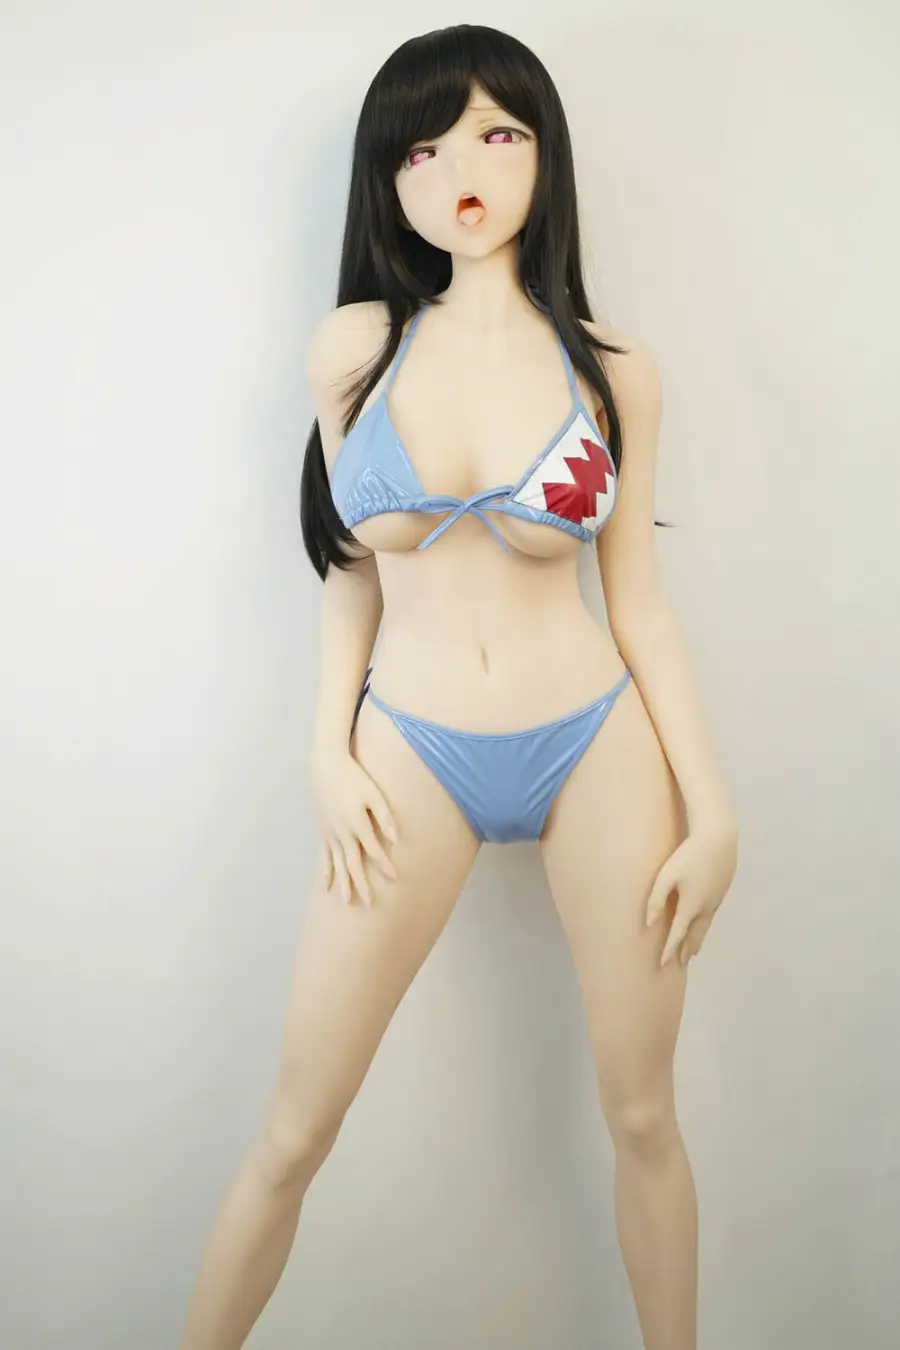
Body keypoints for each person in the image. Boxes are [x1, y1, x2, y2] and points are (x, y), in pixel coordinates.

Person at [179, 24, 739, 1350]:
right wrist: (328, 750)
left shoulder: (612, 367)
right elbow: (353, 574)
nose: (461, 172)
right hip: (407, 747)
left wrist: (714, 809)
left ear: (547, 155)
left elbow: (638, 603)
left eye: (498, 134)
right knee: (294, 1129)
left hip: (597, 740)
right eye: (422, 151)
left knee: (644, 1116)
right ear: (389, 181)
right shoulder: (355, 348)